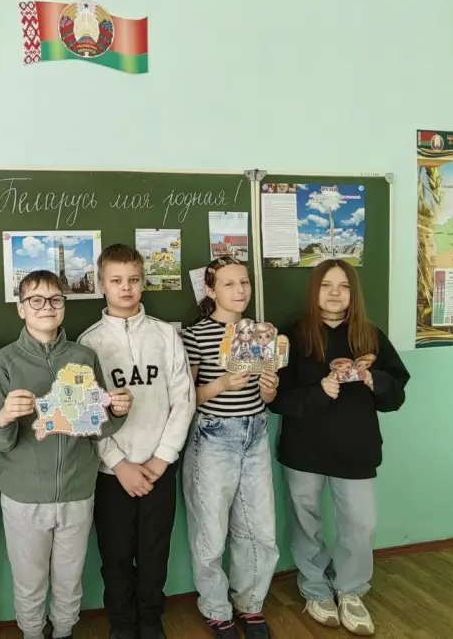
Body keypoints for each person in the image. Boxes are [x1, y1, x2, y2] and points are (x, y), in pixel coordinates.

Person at [0, 269, 133, 639]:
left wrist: (116, 411)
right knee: (29, 582)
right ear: (21, 308)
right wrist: (4, 417)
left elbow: (98, 427)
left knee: (69, 579)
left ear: (64, 305)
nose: (46, 306)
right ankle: (32, 633)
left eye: (55, 299)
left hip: (77, 491)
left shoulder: (84, 356)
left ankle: (64, 631)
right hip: (24, 496)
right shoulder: (4, 361)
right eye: (36, 300)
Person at [270, 260, 410, 636]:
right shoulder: (291, 336)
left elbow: (396, 392)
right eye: (326, 285)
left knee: (360, 525)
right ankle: (315, 588)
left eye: (343, 286)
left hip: (356, 446)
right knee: (306, 522)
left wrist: (375, 380)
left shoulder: (370, 334)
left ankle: (351, 589)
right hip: (304, 448)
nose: (335, 292)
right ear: (313, 290)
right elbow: (276, 398)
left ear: (353, 293)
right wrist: (319, 393)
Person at [77, 244, 195, 639]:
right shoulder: (87, 343)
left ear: (143, 282)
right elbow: (86, 414)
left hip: (159, 468)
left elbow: (183, 400)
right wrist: (118, 463)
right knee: (115, 556)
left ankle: (150, 621)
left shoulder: (165, 335)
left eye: (133, 279)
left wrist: (162, 459)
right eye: (116, 280)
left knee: (154, 554)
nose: (125, 288)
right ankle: (123, 625)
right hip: (112, 473)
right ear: (101, 285)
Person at [181, 256, 279, 639]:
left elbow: (266, 396)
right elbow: (185, 399)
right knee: (210, 531)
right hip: (212, 437)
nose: (240, 290)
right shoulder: (194, 336)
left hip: (255, 432)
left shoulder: (259, 332)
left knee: (259, 528)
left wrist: (269, 389)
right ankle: (216, 608)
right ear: (211, 290)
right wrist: (223, 384)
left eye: (245, 282)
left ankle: (250, 603)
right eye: (229, 283)